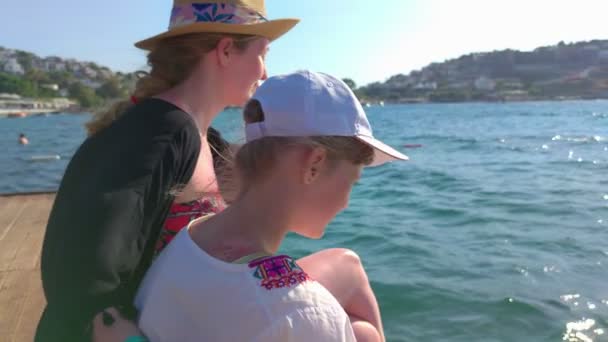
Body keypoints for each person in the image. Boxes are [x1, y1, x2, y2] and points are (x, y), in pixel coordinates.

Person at [35, 1, 299, 341]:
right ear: (227, 50)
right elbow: (79, 273)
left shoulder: (201, 137)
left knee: (344, 272)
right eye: (263, 54)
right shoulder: (159, 132)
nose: (264, 73)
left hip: (177, 318)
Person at [134, 71, 409, 341]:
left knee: (362, 331)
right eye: (352, 182)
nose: (347, 203)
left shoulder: (187, 239)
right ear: (314, 164)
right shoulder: (302, 315)